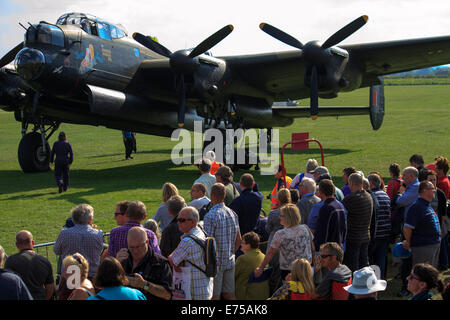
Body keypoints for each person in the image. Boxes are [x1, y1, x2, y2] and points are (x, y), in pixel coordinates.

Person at [255, 204, 314, 282]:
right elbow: (311, 246)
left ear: (288, 217)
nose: (279, 217)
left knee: (290, 292)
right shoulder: (305, 228)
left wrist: (261, 268)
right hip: (307, 268)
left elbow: (270, 253)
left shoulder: (280, 234)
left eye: (282, 215)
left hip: (289, 271)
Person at [203, 183, 241, 300]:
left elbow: (207, 243)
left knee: (214, 296)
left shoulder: (210, 216)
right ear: (224, 195)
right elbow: (239, 238)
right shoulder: (232, 213)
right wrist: (231, 252)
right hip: (230, 260)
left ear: (212, 195)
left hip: (216, 264)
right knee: (230, 295)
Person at [169, 207, 214, 300]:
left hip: (195, 291)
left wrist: (176, 258)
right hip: (204, 286)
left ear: (193, 222)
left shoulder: (188, 241)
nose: (178, 222)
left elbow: (172, 260)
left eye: (182, 220)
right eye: (178, 219)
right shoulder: (201, 232)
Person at [117, 227, 172, 300]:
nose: (135, 251)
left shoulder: (160, 263)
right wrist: (116, 264)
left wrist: (144, 285)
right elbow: (105, 285)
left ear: (147, 242)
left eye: (139, 247)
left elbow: (167, 294)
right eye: (132, 247)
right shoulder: (123, 260)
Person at [54, 204, 103, 280]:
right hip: (91, 276)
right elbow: (99, 251)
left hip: (69, 276)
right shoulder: (98, 234)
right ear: (90, 219)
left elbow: (56, 250)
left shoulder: (64, 233)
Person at [4, 230, 54, 300]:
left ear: (17, 245)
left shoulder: (10, 261)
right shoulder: (44, 261)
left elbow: (7, 284)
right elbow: (50, 287)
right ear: (33, 243)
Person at [402, 181, 441, 268]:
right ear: (425, 191)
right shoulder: (417, 206)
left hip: (432, 244)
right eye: (432, 188)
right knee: (423, 273)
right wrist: (408, 242)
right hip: (423, 246)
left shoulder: (426, 205)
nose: (435, 190)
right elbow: (407, 227)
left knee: (430, 272)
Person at [342, 173, 373, 273]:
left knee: (353, 266)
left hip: (353, 237)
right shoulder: (368, 196)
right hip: (365, 235)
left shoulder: (351, 199)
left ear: (350, 183)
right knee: (364, 264)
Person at [423, 169, 448, 271]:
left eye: (434, 180)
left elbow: (442, 212)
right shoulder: (422, 193)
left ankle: (441, 264)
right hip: (425, 225)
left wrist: (439, 225)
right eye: (430, 180)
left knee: (439, 246)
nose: (432, 182)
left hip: (437, 224)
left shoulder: (440, 194)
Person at [367, 173, 392, 279]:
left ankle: (373, 281)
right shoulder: (385, 195)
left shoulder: (371, 196)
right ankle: (380, 279)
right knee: (381, 258)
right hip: (385, 232)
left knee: (371, 259)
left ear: (371, 183)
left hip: (376, 233)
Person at [314, 179, 347, 251]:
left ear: (321, 191)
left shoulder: (326, 208)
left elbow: (322, 231)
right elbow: (344, 228)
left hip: (328, 250)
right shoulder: (340, 205)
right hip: (339, 246)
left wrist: (318, 248)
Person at [234, 232, 269, 300]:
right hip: (263, 295)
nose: (241, 245)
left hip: (246, 295)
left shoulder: (243, 259)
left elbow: (232, 276)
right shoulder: (264, 257)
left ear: (248, 245)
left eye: (242, 243)